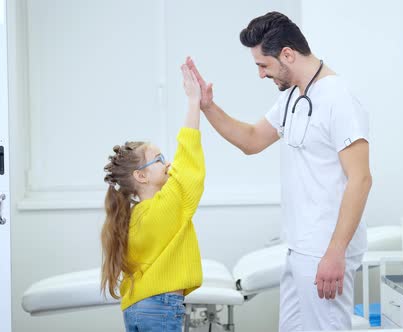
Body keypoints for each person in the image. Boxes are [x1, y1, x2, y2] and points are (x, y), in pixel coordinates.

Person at [187, 11, 372, 331]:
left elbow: (361, 179)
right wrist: (208, 106)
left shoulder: (338, 98)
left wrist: (335, 252)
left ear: (287, 54)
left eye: (263, 65)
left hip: (324, 250)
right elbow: (252, 140)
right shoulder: (292, 97)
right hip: (298, 245)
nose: (261, 74)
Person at [100, 61, 205, 332]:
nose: (167, 163)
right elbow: (188, 166)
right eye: (159, 159)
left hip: (136, 307)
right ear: (141, 176)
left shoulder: (133, 215)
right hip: (160, 307)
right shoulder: (162, 208)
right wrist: (194, 102)